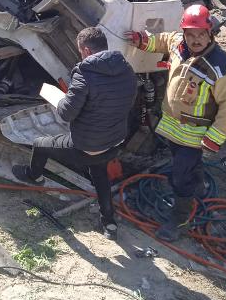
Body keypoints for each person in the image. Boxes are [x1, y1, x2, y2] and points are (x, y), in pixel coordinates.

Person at [124, 5, 226, 241]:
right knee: (183, 164)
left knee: (180, 177)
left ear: (211, 33)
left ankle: (180, 219)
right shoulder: (179, 44)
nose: (195, 40)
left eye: (201, 34)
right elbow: (163, 40)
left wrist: (215, 138)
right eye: (191, 34)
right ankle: (196, 185)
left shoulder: (223, 67)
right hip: (172, 127)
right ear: (184, 33)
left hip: (195, 135)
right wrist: (142, 41)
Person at [12, 26, 138, 239]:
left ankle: (35, 176)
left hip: (87, 145)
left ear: (87, 51)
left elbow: (66, 114)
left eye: (81, 52)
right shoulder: (126, 69)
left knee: (41, 143)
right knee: (99, 173)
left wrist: (59, 98)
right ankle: (109, 223)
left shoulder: (85, 73)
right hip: (114, 143)